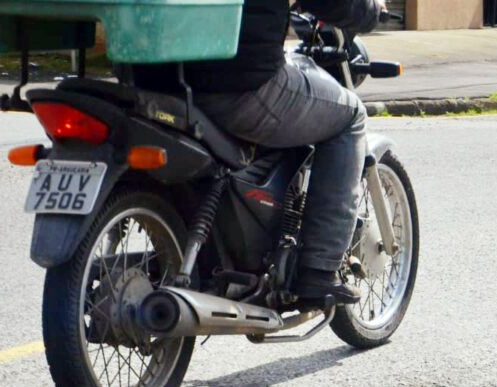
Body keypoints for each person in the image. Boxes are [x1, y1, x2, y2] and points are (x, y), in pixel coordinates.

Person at [141, 0, 386, 305]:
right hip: (236, 83)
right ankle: (318, 271)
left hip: (150, 78)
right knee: (350, 116)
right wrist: (370, 11)